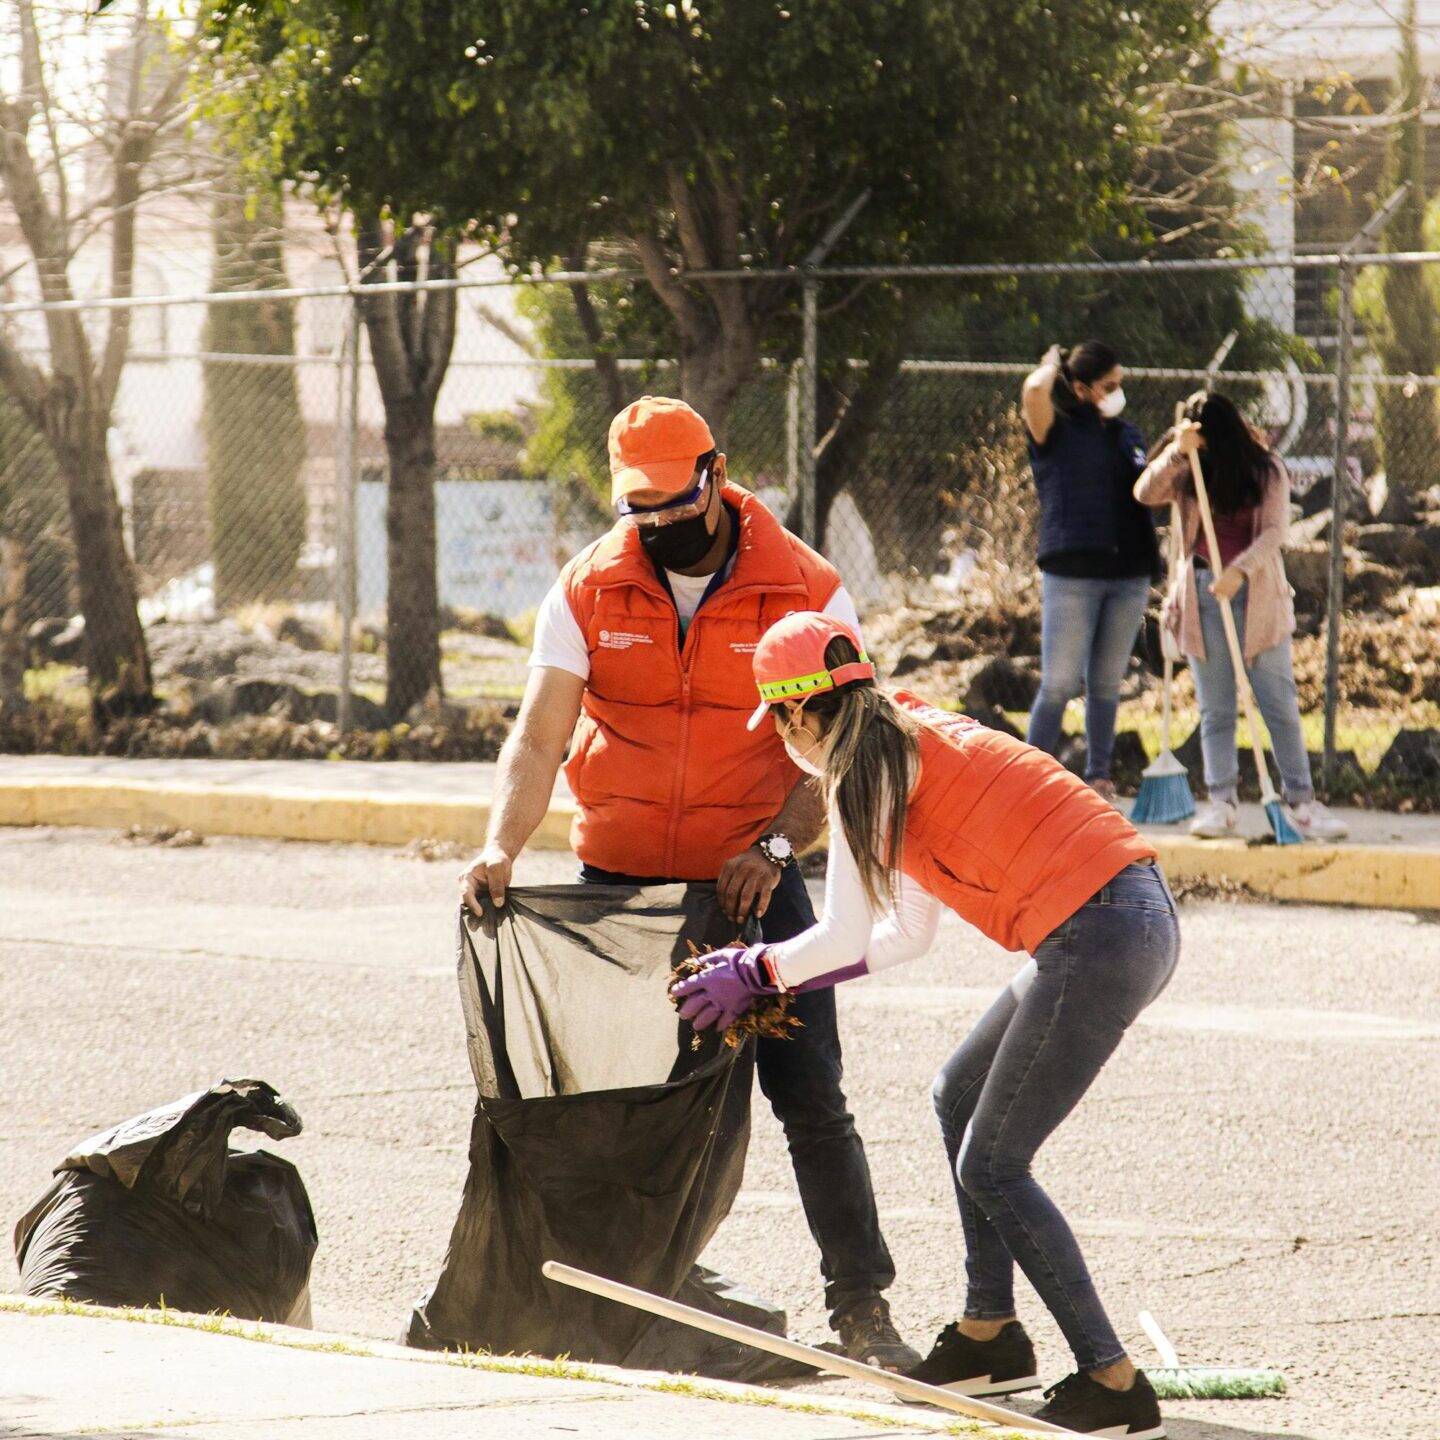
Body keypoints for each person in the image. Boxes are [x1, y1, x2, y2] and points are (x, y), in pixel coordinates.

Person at [459, 396, 918, 1371]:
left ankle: (863, 1309)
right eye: (641, 510)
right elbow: (540, 735)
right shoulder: (588, 588)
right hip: (621, 888)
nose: (659, 525)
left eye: (674, 502)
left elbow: (844, 749)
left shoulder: (804, 586)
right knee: (623, 1111)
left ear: (714, 476)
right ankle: (634, 1299)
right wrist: (502, 844)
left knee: (811, 1097)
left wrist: (775, 849)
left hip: (756, 885)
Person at [671, 610, 1179, 1439]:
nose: (779, 739)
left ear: (799, 714)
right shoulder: (901, 744)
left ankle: (1113, 1382)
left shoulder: (863, 771)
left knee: (995, 1162)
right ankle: (992, 1335)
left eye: (776, 722)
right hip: (1120, 919)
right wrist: (770, 976)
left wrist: (756, 969)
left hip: (1101, 932)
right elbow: (902, 935)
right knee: (958, 1094)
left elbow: (838, 936)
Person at [1134, 391, 1347, 841]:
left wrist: (1238, 571)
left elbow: (1274, 532)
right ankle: (1221, 803)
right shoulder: (1189, 470)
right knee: (1216, 709)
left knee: (1279, 706)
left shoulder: (1266, 468)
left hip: (1258, 599)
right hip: (1201, 598)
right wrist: (1178, 451)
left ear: (1221, 434)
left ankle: (1301, 802)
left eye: (1203, 437)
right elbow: (1144, 492)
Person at [1021, 341, 1159, 803]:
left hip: (1129, 573)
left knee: (1106, 682)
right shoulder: (1055, 432)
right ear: (1080, 389)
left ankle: (1097, 776)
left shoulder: (1126, 434)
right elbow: (1033, 394)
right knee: (1059, 682)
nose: (1118, 393)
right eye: (1109, 385)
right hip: (1073, 571)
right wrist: (1051, 364)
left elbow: (1146, 487)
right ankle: (1025, 777)